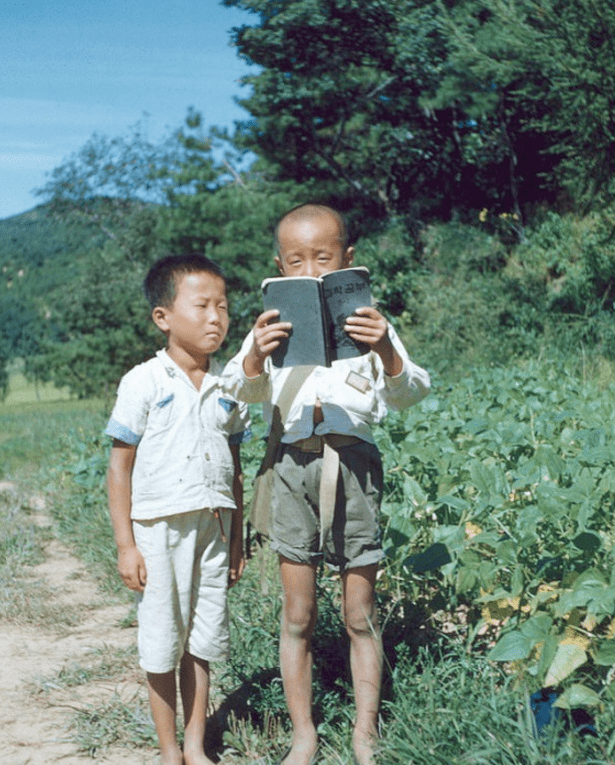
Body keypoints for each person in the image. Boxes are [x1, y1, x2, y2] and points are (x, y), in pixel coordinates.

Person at [223, 204, 430, 765]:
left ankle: (366, 731)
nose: (310, 270)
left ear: (348, 261)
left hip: (355, 467)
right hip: (293, 469)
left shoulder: (371, 321)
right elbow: (234, 395)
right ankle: (303, 733)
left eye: (323, 258)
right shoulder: (267, 328)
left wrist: (384, 347)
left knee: (359, 613)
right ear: (278, 267)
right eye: (296, 261)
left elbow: (410, 392)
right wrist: (253, 362)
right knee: (298, 614)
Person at [105, 253, 250, 765]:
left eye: (224, 306)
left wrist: (237, 539)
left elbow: (234, 469)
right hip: (158, 531)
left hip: (215, 527)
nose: (217, 318)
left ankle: (195, 743)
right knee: (163, 639)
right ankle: (169, 750)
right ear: (163, 317)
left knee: (204, 637)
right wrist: (126, 544)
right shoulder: (143, 381)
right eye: (202, 306)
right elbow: (119, 467)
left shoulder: (231, 389)